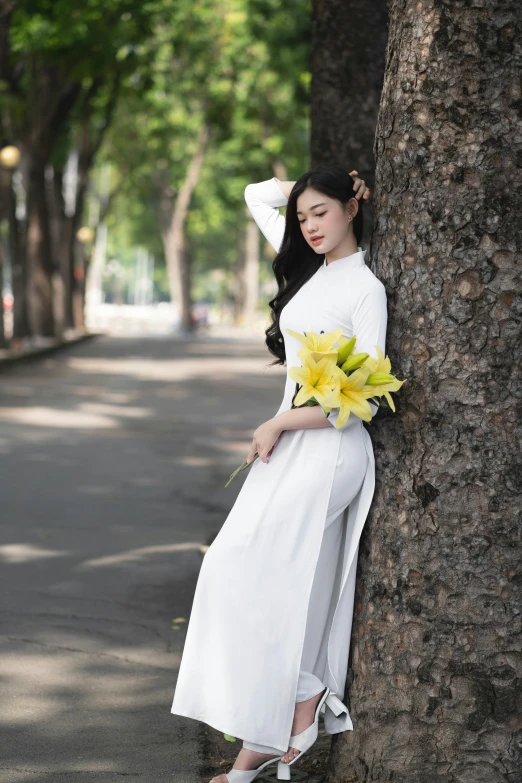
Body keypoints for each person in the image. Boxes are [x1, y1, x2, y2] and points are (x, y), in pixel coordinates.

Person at [171, 166, 388, 783]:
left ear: (353, 207)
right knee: (244, 574)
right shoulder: (307, 271)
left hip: (329, 451)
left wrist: (281, 423)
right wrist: (302, 188)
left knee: (255, 575)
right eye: (302, 218)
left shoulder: (363, 289)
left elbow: (365, 402)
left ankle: (302, 695)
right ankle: (270, 735)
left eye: (322, 212)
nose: (310, 226)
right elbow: (254, 195)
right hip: (289, 448)